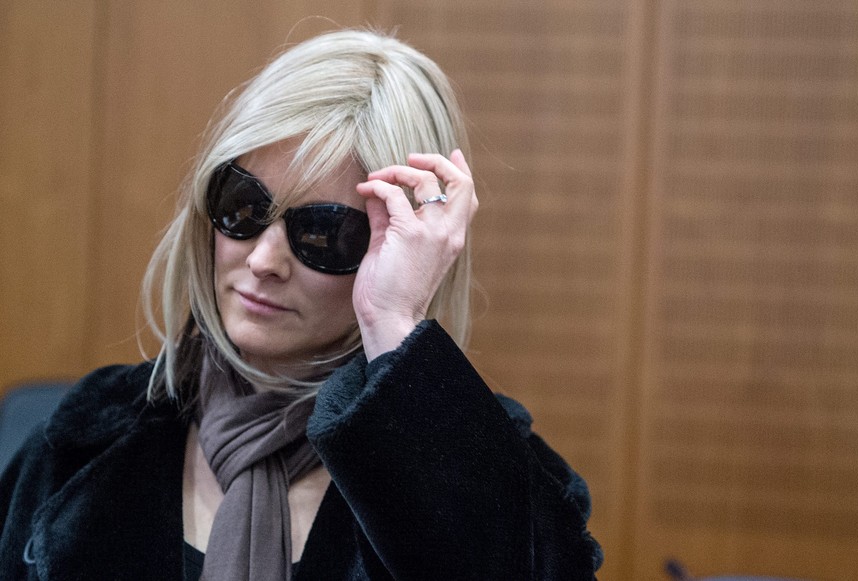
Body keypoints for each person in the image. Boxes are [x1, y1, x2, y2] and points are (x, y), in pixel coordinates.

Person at [0, 29, 602, 580]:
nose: (263, 259)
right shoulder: (76, 450)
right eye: (242, 204)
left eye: (322, 234)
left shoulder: (491, 479)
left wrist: (393, 323)